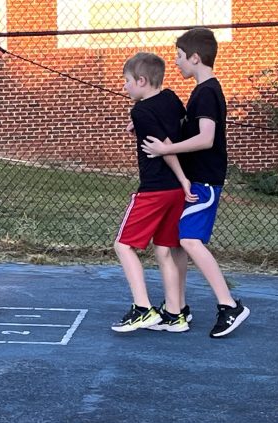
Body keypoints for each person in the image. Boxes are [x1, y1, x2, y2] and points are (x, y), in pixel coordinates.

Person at [142, 27, 250, 338]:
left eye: (179, 56)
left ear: (195, 57)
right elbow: (185, 127)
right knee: (179, 242)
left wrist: (166, 149)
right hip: (195, 180)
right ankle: (177, 308)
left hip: (206, 181)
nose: (175, 62)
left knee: (190, 241)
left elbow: (206, 138)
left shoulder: (207, 92)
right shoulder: (201, 91)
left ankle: (229, 305)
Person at [111, 52, 194, 333]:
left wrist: (183, 177)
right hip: (174, 193)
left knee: (123, 245)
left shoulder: (141, 111)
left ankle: (143, 308)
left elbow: (166, 145)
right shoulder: (170, 98)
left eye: (127, 81)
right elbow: (174, 124)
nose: (124, 86)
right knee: (165, 249)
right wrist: (140, 123)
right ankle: (175, 313)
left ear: (142, 80)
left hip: (155, 189)